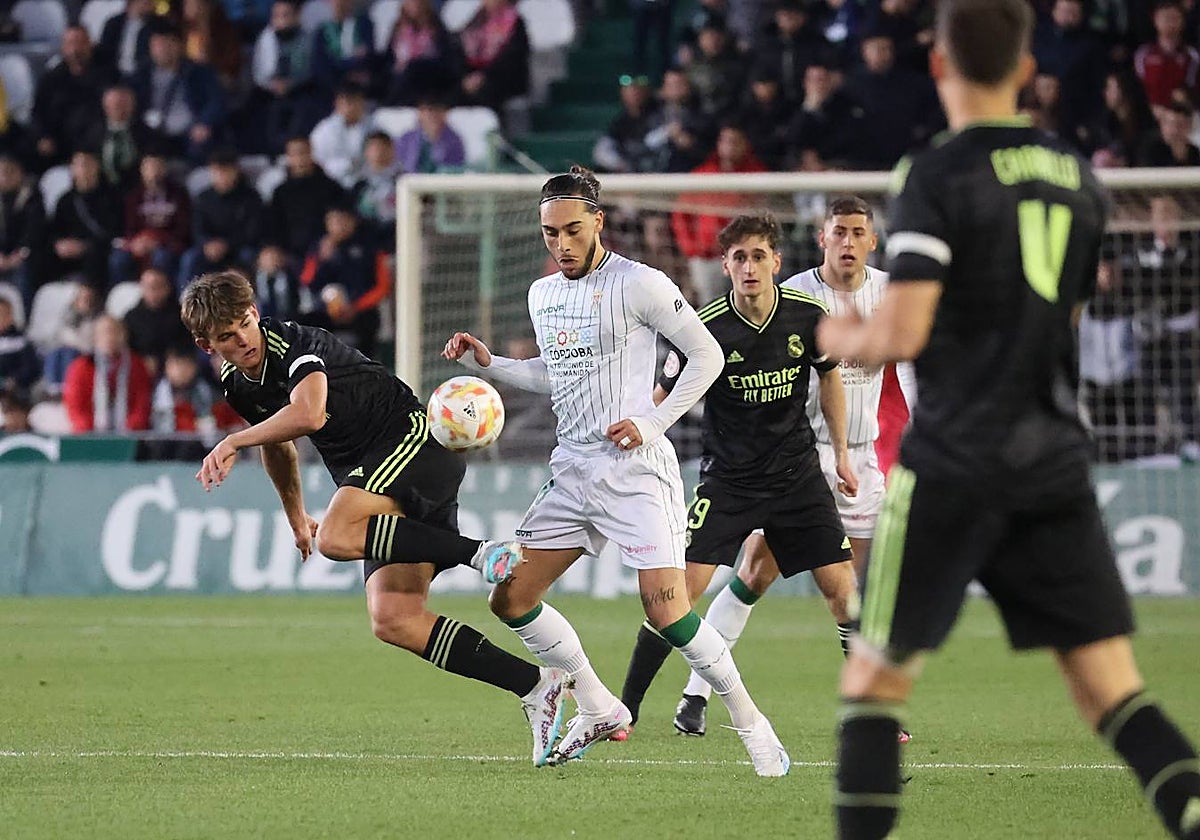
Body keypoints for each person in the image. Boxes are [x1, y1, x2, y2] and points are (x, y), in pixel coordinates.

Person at [816, 2, 1200, 837]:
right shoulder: (1077, 173)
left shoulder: (938, 170)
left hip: (955, 457)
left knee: (874, 681)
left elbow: (906, 330)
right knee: (1111, 688)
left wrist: (845, 330)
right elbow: (1058, 315)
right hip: (1053, 455)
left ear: (940, 67)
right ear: (1027, 71)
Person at [442, 167, 789, 776]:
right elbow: (556, 375)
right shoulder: (542, 293)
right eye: (550, 233)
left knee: (667, 611)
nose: (561, 244)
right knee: (511, 597)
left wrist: (652, 423)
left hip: (636, 470)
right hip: (573, 469)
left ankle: (751, 723)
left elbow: (705, 354)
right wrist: (493, 363)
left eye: (573, 230)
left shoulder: (640, 284)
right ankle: (600, 705)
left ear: (598, 221)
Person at [180, 269, 570, 765]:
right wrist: (297, 516)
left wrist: (232, 440)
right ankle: (537, 686)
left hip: (411, 444)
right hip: (377, 475)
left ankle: (481, 552)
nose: (241, 340)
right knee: (394, 619)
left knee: (339, 535)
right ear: (205, 343)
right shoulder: (237, 384)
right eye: (226, 337)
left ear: (254, 312)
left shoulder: (296, 344)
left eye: (244, 324)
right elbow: (279, 445)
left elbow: (309, 415)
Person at [616, 211, 861, 738]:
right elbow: (659, 401)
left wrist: (839, 453)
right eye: (738, 258)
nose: (749, 267)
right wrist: (636, 432)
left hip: (797, 477)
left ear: (776, 260)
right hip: (728, 482)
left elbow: (831, 378)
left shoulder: (806, 317)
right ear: (725, 266)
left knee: (843, 593)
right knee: (672, 598)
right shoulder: (703, 330)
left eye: (758, 256)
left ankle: (871, 714)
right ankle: (624, 711)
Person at [63, 313, 153, 433]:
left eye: (114, 332)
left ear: (124, 335)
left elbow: (142, 404)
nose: (110, 337)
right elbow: (76, 406)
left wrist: (131, 429)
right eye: (104, 333)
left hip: (130, 436)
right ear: (95, 337)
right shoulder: (80, 367)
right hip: (89, 436)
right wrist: (89, 433)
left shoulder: (137, 365)